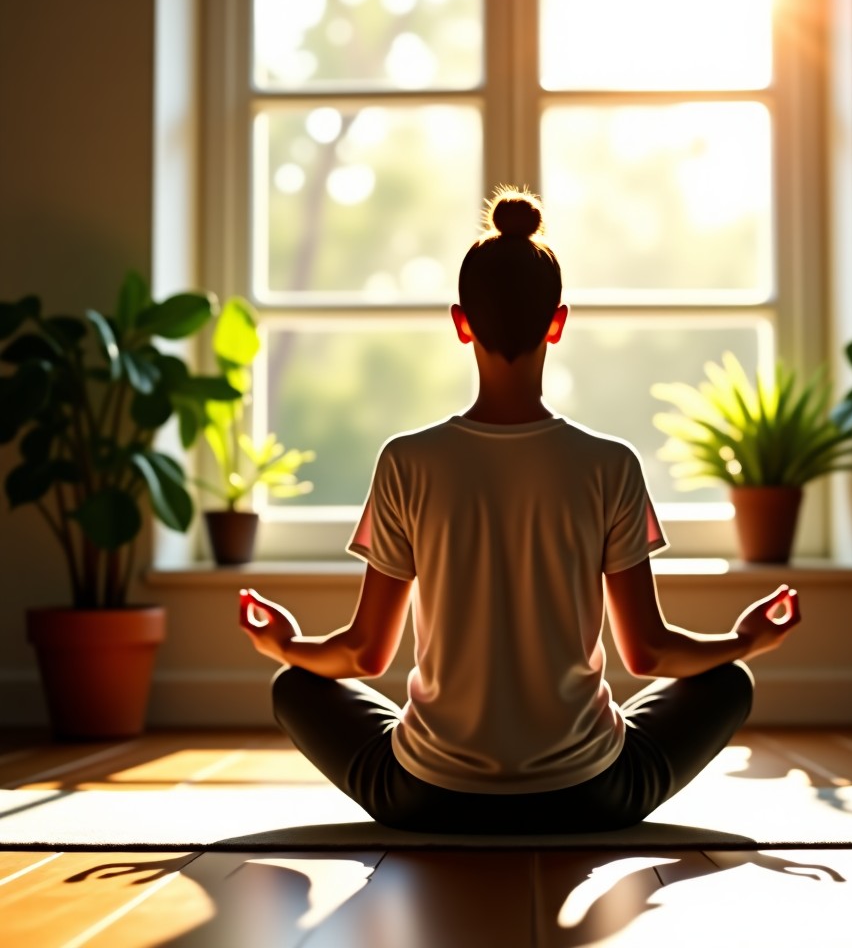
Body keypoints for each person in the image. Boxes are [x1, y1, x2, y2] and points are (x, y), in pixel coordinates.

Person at [239, 187, 801, 834]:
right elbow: (648, 653)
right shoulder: (610, 465)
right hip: (591, 795)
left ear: (461, 322)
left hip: (425, 796)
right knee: (730, 683)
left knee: (293, 685)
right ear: (557, 323)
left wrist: (284, 644)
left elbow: (364, 655)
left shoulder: (405, 462)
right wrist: (747, 640)